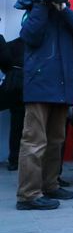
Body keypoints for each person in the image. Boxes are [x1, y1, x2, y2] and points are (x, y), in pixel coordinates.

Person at [16, 0, 73, 210]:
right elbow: (29, 36)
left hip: (63, 88)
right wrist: (41, 4)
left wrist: (63, 9)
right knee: (34, 142)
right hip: (40, 85)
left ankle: (49, 185)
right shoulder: (35, 9)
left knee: (55, 142)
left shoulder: (67, 14)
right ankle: (28, 195)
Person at [0, 34, 24, 172]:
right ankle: (15, 159)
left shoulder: (10, 44)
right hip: (28, 89)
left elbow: (5, 64)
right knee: (21, 126)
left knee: (17, 125)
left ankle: (14, 160)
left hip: (13, 88)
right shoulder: (41, 45)